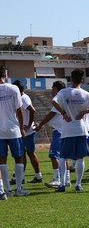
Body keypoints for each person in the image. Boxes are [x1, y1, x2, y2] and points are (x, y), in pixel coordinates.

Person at [52, 68, 89, 192]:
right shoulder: (86, 94)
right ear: (82, 80)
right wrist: (85, 111)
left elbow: (54, 101)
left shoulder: (64, 92)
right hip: (81, 129)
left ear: (71, 79)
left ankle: (62, 184)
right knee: (80, 157)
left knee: (63, 157)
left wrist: (63, 113)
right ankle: (78, 184)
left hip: (67, 129)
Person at [34, 80, 71, 188]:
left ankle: (57, 179)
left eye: (52, 88)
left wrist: (40, 124)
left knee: (53, 155)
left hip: (59, 131)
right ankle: (67, 179)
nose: (51, 90)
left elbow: (51, 114)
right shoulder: (65, 99)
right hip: (65, 131)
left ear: (56, 88)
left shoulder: (59, 99)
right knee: (63, 157)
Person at [0, 66, 29, 196]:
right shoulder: (13, 88)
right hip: (13, 130)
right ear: (5, 75)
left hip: (0, 132)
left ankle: (7, 190)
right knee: (19, 158)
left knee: (2, 160)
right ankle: (18, 189)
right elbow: (20, 110)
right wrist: (22, 128)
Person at [12, 80, 42, 183]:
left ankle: (38, 176)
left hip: (27, 132)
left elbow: (32, 110)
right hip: (23, 131)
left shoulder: (23, 98)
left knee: (30, 153)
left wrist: (29, 125)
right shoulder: (23, 97)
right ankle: (20, 177)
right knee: (23, 154)